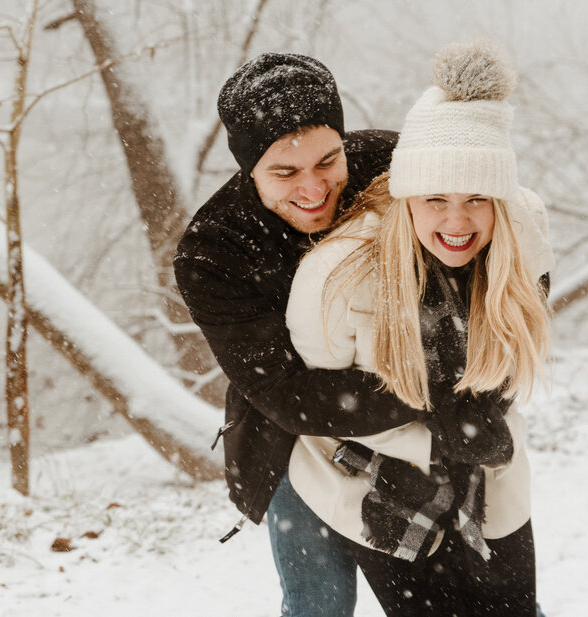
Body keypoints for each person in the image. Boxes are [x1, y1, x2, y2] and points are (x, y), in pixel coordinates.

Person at [174, 52, 540, 617]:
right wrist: (434, 409)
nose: (315, 187)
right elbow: (286, 393)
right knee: (318, 603)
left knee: (492, 594)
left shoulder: (392, 165)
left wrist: (472, 396)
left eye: (328, 159)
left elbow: (493, 259)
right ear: (249, 169)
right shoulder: (213, 251)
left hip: (417, 414)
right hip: (293, 438)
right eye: (285, 172)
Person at [285, 40, 554, 617]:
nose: (456, 222)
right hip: (378, 477)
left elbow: (515, 348)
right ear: (406, 196)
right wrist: (430, 437)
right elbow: (320, 404)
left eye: (476, 199)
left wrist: (481, 424)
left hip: (487, 467)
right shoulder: (338, 274)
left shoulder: (522, 240)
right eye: (435, 199)